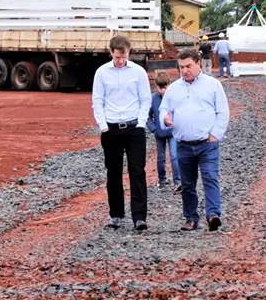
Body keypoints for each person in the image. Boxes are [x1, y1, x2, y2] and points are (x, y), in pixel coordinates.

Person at [160, 47, 230, 232]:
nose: (184, 70)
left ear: (199, 63)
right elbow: (163, 110)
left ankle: (213, 215)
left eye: (188, 66)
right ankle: (191, 218)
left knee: (210, 177)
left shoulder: (213, 85)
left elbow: (222, 111)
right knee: (188, 183)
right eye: (181, 67)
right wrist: (165, 119)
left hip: (207, 144)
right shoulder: (173, 89)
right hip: (183, 144)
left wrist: (215, 134)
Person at [92, 35, 152, 231]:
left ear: (129, 53)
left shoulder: (138, 72)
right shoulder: (102, 73)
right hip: (111, 129)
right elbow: (97, 100)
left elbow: (145, 99)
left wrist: (141, 123)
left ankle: (139, 217)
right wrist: (103, 125)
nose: (120, 60)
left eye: (123, 56)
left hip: (134, 128)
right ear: (111, 52)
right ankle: (116, 215)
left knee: (137, 171)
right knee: (113, 172)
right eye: (117, 56)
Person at [146, 72, 182, 193]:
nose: (163, 90)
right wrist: (154, 129)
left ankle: (177, 181)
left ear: (169, 85)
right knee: (161, 158)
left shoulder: (175, 97)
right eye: (160, 87)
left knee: (174, 155)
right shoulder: (153, 99)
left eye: (165, 87)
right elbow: (148, 116)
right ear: (156, 86)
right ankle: (162, 180)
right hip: (159, 134)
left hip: (172, 133)